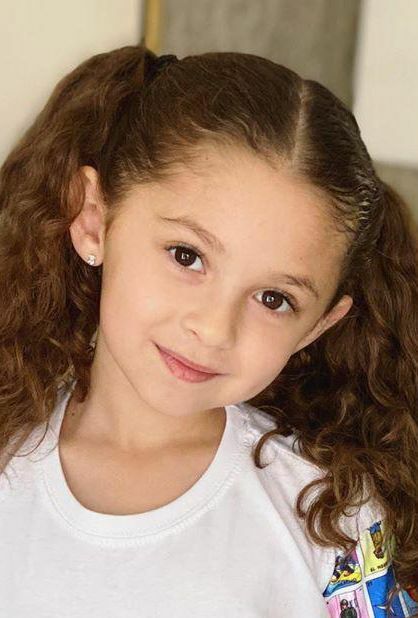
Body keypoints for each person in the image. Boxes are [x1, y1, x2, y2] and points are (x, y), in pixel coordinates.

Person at [0, 44, 416, 618]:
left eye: (274, 299)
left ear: (318, 325)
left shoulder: (332, 517)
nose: (214, 328)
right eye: (187, 255)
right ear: (93, 221)